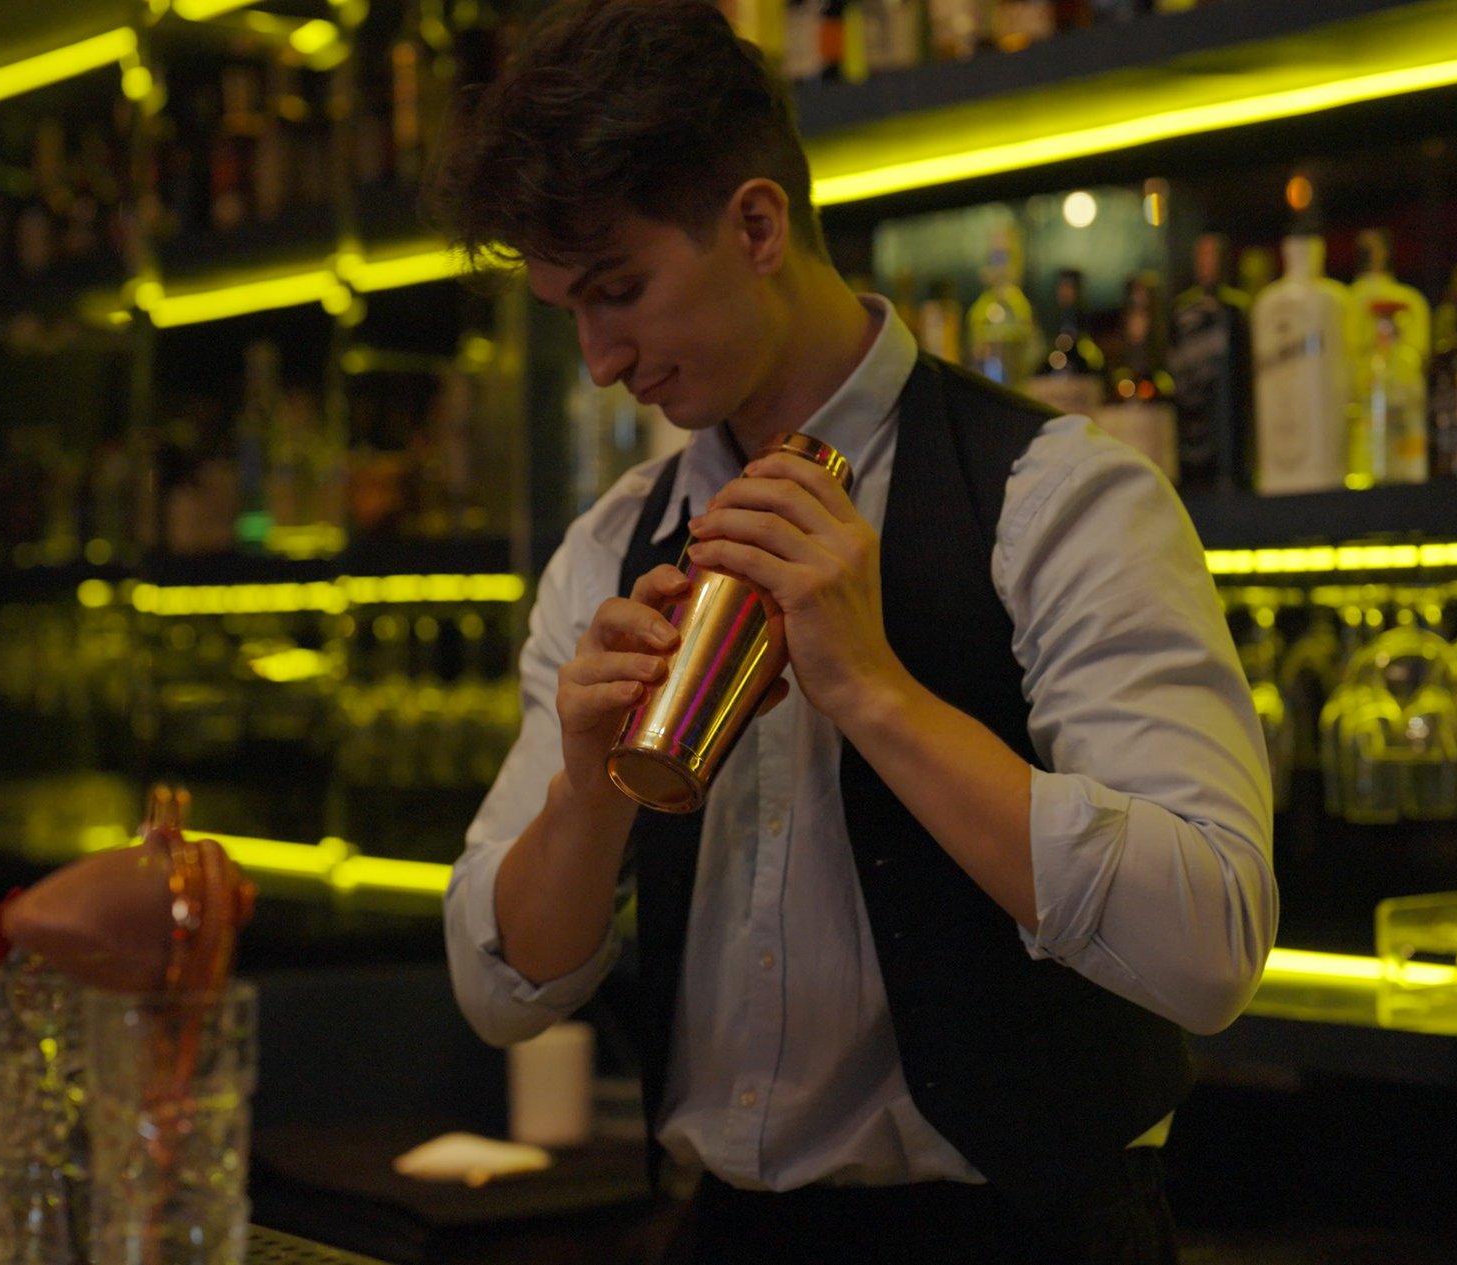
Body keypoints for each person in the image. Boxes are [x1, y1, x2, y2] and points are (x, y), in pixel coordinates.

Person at [428, 3, 1276, 1260]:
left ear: (757, 225)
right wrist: (590, 786)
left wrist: (877, 688)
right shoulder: (615, 542)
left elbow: (1211, 942)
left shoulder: (1059, 496)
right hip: (725, 1232)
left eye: (623, 292)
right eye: (572, 311)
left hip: (1030, 1236)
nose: (603, 359)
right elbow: (500, 987)